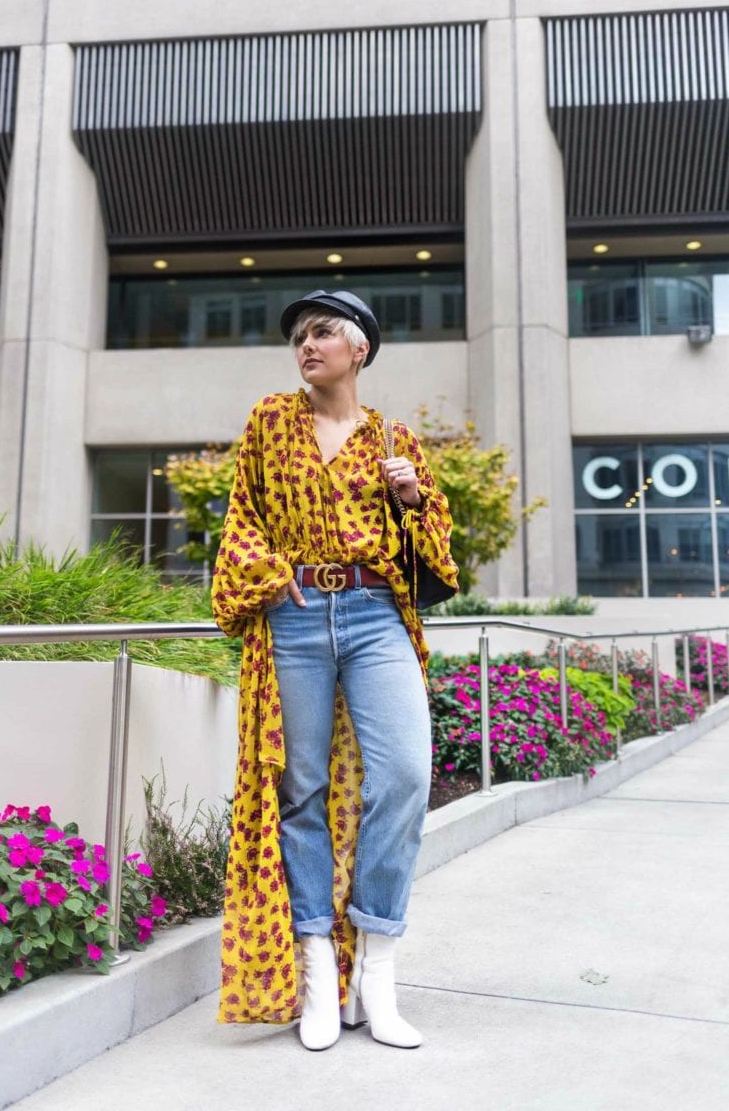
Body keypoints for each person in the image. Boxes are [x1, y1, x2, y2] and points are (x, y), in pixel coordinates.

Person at [211, 288, 458, 1050]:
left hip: (375, 612)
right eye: (298, 337)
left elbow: (440, 552)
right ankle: (318, 967)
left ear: (360, 350)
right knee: (301, 787)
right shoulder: (268, 422)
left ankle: (374, 969)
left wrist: (413, 500)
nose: (306, 346)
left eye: (322, 334)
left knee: (406, 775)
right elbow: (240, 516)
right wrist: (267, 572)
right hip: (292, 614)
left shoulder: (396, 439)